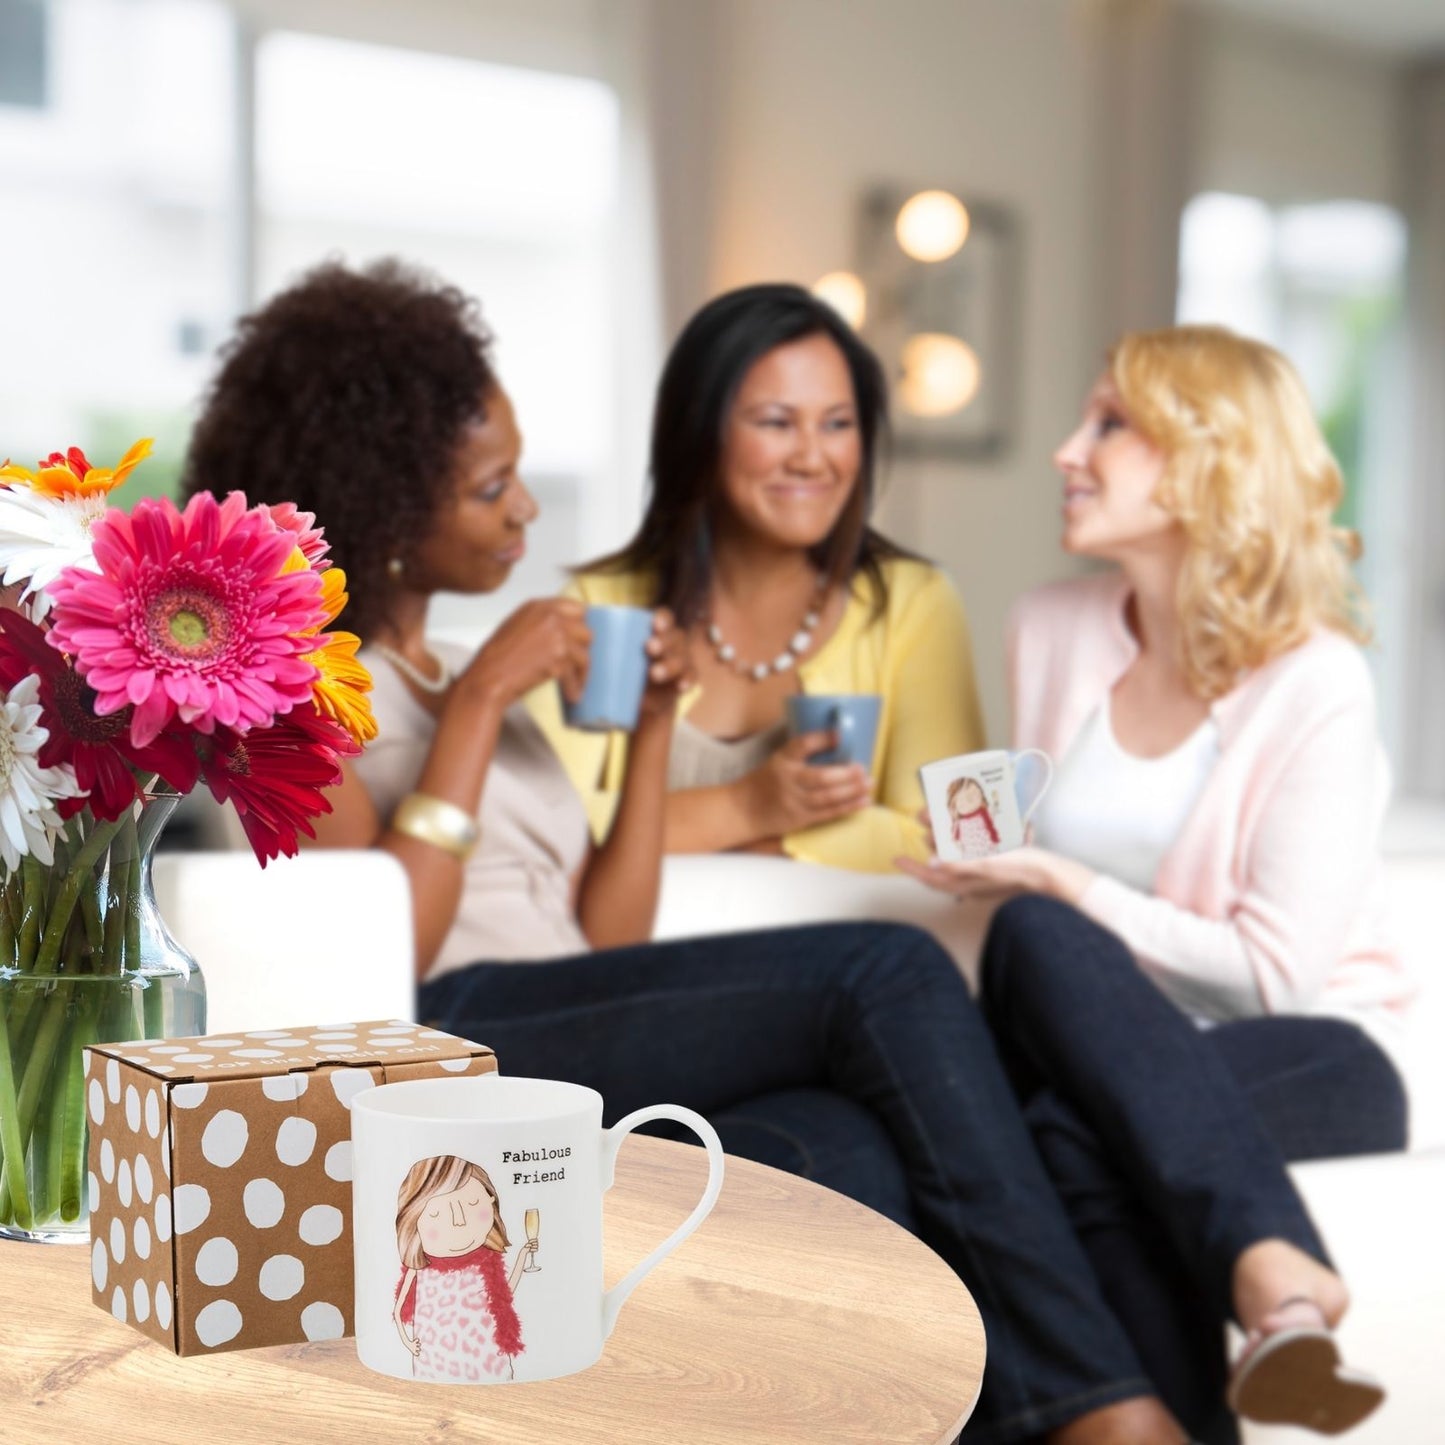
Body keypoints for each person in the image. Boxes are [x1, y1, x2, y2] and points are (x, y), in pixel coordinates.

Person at [183, 264, 1355, 1444]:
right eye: (494, 488)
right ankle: (1100, 1411)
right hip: (451, 1038)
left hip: (563, 1009)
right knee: (887, 971)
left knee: (846, 1150)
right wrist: (487, 700)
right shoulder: (291, 685)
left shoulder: (460, 663)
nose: (528, 512)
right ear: (384, 500)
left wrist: (649, 727)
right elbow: (385, 944)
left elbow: (609, 932)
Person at [900, 324, 1412, 1443]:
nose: (1065, 451)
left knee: (1047, 981)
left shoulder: (1314, 678)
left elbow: (1273, 978)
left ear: (1203, 462)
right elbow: (1047, 918)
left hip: (1308, 1048)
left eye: (1108, 425)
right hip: (1098, 1058)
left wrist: (1055, 877)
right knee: (1046, 1015)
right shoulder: (1048, 626)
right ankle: (1274, 1288)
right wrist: (1002, 863)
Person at [529, 283, 985, 873]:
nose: (812, 458)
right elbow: (546, 824)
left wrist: (756, 840)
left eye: (838, 424)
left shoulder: (913, 604)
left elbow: (958, 834)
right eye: (776, 423)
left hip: (842, 962)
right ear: (699, 433)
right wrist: (745, 808)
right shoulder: (604, 607)